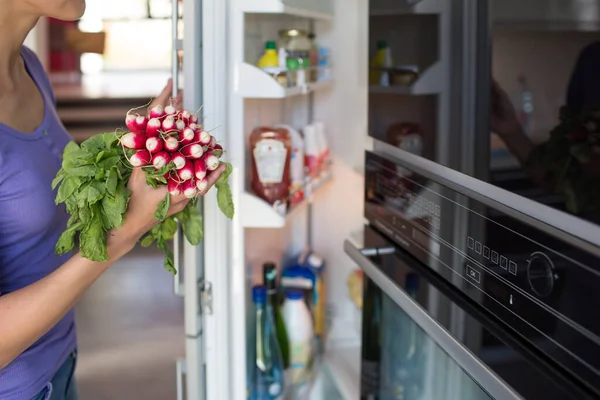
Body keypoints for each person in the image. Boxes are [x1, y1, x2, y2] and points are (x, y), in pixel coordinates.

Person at [0, 1, 226, 399]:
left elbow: (36, 201)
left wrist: (146, 154)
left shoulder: (28, 67)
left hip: (60, 364)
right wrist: (125, 232)